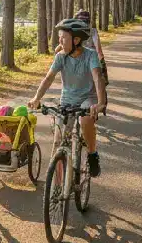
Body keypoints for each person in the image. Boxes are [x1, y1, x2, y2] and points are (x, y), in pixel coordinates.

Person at [30, 18, 106, 177]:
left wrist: (100, 103)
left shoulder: (90, 56)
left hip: (88, 98)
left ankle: (92, 154)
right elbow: (48, 78)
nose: (59, 41)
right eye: (59, 37)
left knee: (86, 120)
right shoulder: (60, 57)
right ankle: (56, 188)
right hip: (67, 100)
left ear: (76, 40)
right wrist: (37, 97)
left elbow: (98, 78)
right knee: (58, 142)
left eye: (63, 38)